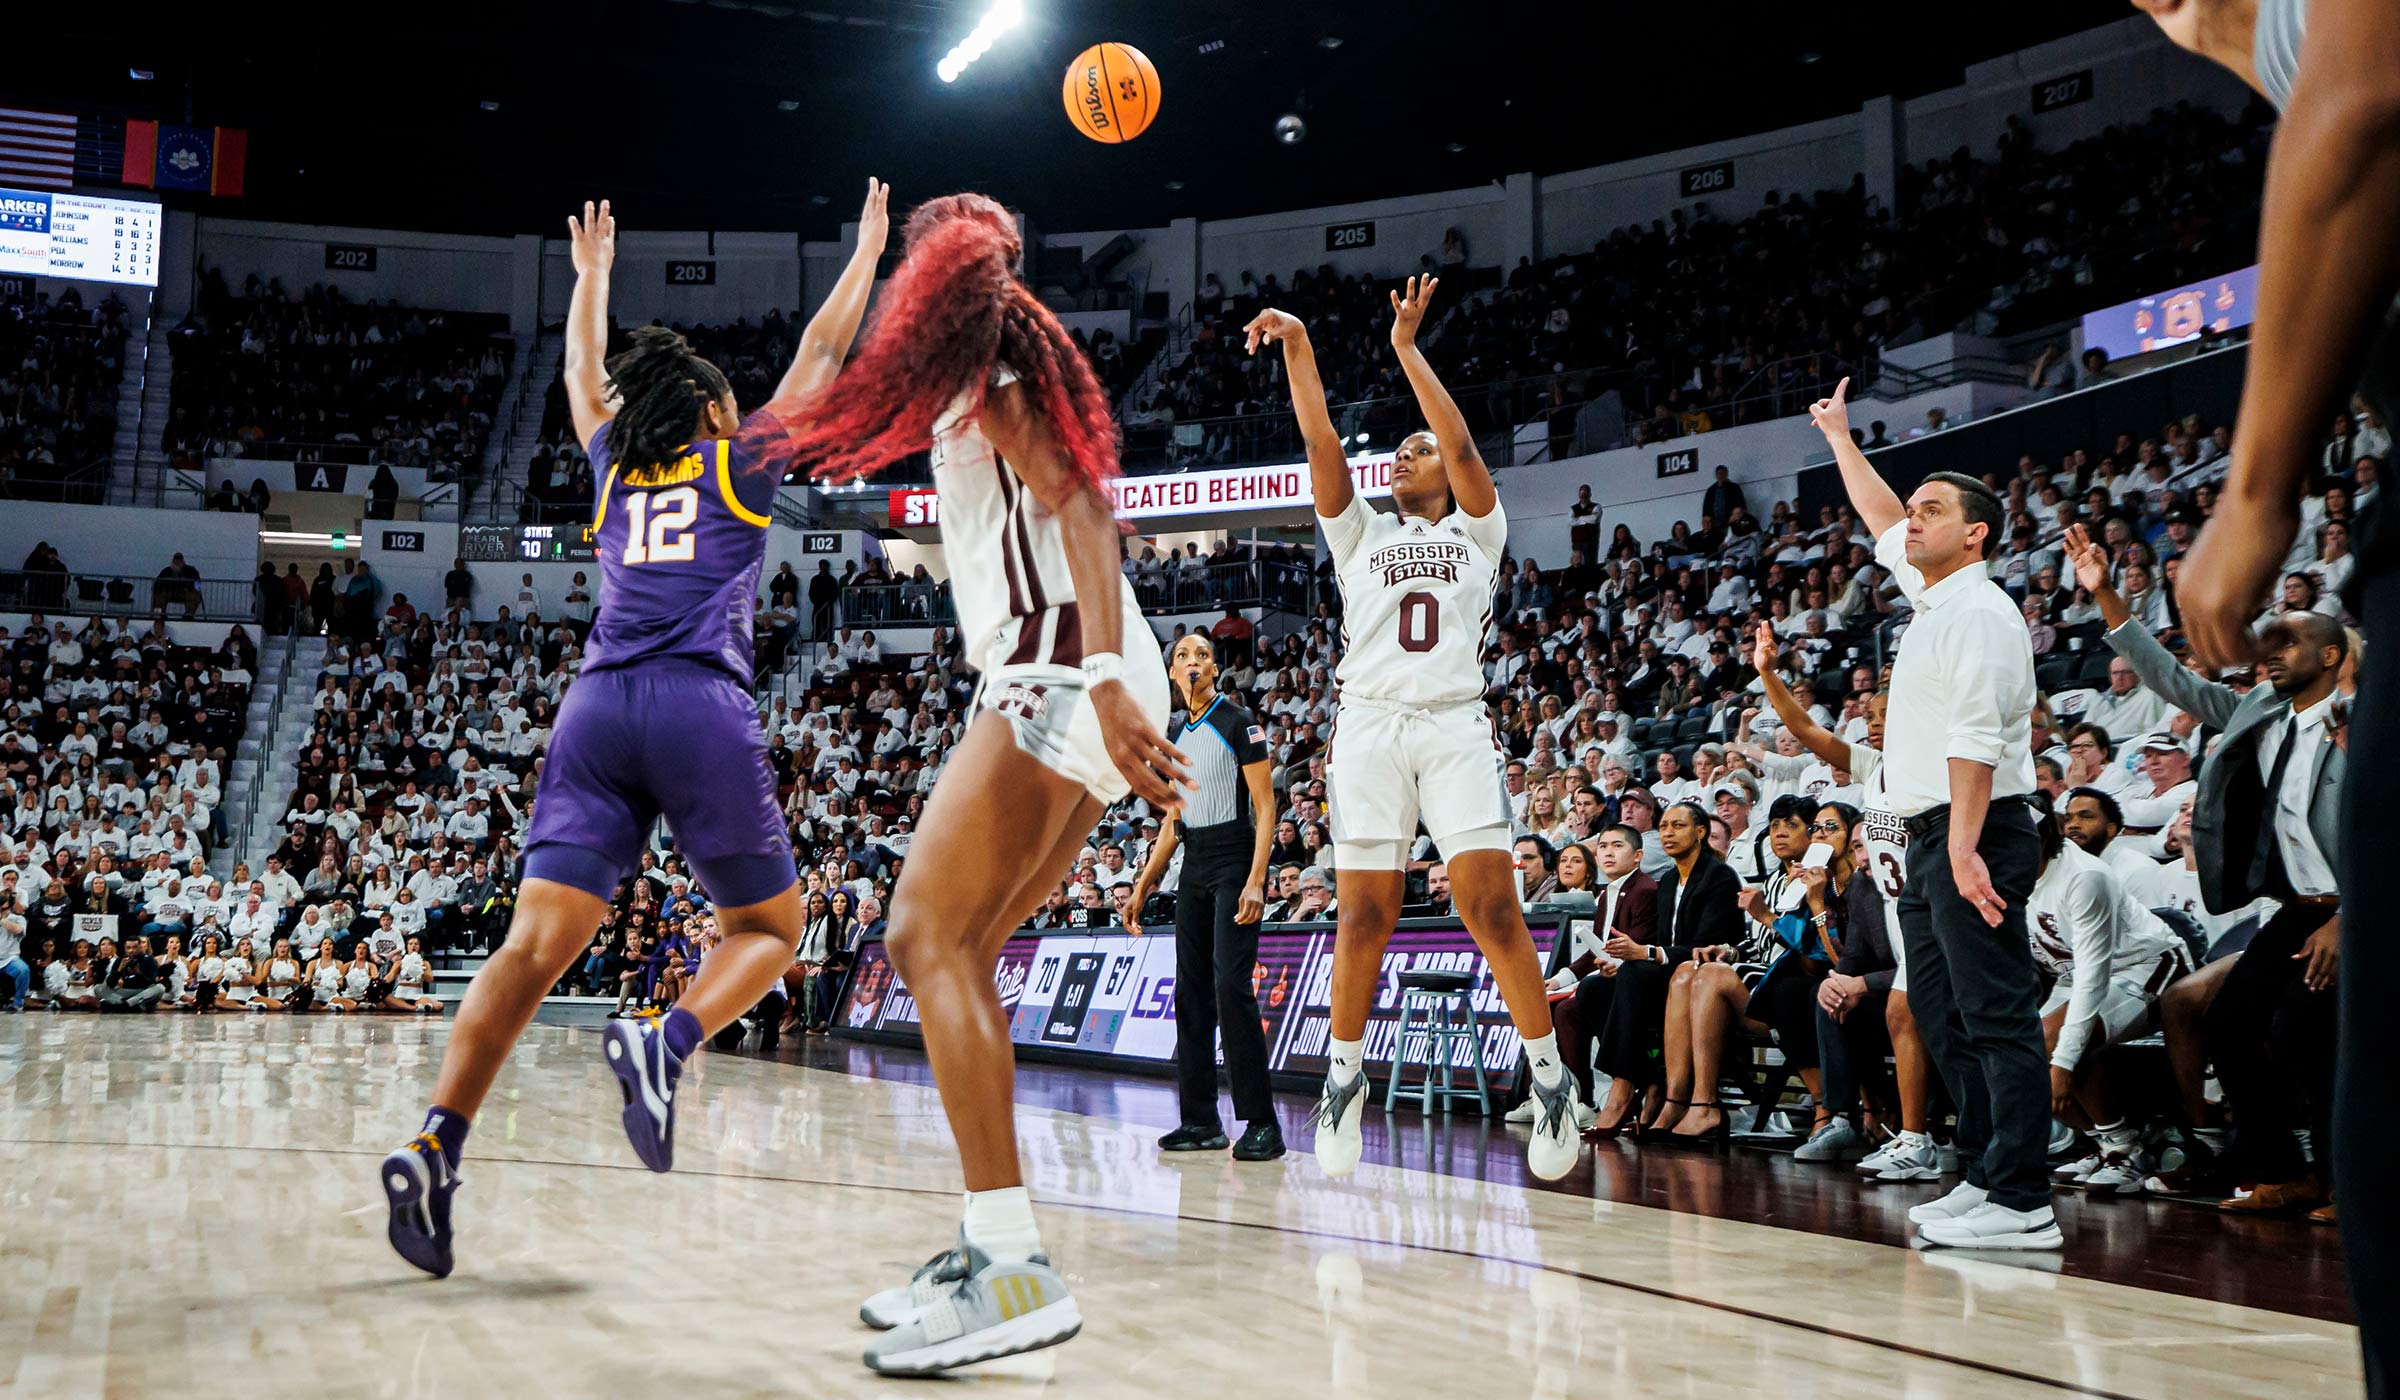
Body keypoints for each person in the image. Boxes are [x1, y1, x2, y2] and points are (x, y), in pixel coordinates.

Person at [379, 182, 894, 1281]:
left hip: (597, 708)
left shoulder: (613, 463)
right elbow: (820, 350)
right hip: (696, 703)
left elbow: (579, 375)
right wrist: (867, 253)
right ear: (713, 409)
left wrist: (593, 280)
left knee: (527, 948)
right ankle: (664, 1042)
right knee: (770, 928)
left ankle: (437, 1140)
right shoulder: (741, 461)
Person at [780, 190, 1182, 1376]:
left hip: (1067, 660)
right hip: (1073, 666)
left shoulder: (992, 379)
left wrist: (1105, 678)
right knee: (967, 943)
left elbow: (1084, 508)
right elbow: (819, 383)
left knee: (920, 936)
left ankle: (1013, 1266)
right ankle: (986, 1238)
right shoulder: (986, 366)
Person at [2134, 0, 2398, 1380]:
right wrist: (2225, 41)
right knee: (2238, 1014)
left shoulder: (2330, 695)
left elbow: (2362, 104)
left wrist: (2255, 488)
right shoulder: (2259, 29)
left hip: (2326, 905)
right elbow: (2323, 77)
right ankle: (2270, 1163)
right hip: (2290, 903)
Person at [1245, 278, 1583, 1184]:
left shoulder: (1481, 529)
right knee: (1364, 914)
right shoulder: (1359, 534)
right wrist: (1302, 344)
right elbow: (1321, 439)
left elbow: (1462, 439)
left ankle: (1550, 1079)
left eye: (1418, 449)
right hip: (1369, 726)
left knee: (1490, 907)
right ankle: (1344, 1078)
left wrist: (1404, 349)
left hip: (1453, 725)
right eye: (1398, 447)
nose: (1406, 453)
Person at [1815, 375, 2054, 1250]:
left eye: (1931, 509)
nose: (1910, 520)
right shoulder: (1933, 597)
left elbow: (1978, 739)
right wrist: (1840, 439)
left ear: (1975, 532)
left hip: (1974, 833)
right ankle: (1986, 1172)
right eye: (1913, 508)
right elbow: (1878, 517)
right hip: (1930, 841)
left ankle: (2023, 1198)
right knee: (1947, 1020)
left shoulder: (1983, 613)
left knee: (1996, 1016)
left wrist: (1958, 848)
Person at [1124, 632, 1283, 1162]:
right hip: (1193, 863)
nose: (1192, 662)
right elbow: (1172, 819)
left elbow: (1266, 806)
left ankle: (1262, 1122)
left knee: (1230, 984)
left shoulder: (1238, 722)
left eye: (1202, 655)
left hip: (1236, 856)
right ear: (1172, 672)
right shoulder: (1175, 737)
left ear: (1215, 668)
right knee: (1190, 992)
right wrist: (1145, 884)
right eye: (1183, 656)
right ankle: (1200, 1120)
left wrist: (1257, 878)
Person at [2016, 794, 2191, 1195]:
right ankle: (2110, 1143)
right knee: (2025, 1054)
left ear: (2039, 839)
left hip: (2144, 965)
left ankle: (2126, 1150)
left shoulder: (2084, 877)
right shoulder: (2010, 876)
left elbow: (2094, 979)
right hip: (2076, 973)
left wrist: (2062, 1064)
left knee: (2056, 1042)